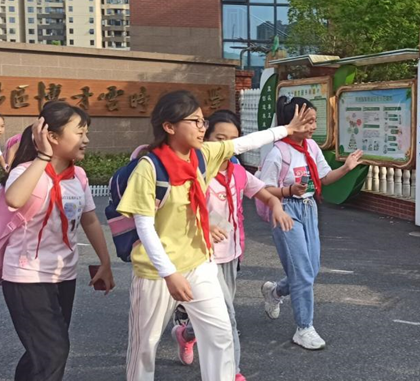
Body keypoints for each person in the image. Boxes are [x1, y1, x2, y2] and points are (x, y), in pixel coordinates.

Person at [117, 90, 313, 381]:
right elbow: (144, 227)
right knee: (145, 346)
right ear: (169, 126)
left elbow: (244, 142)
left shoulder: (202, 155)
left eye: (203, 121)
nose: (201, 128)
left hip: (199, 262)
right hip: (157, 272)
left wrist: (286, 129)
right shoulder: (150, 168)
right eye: (194, 121)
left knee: (220, 334)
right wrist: (169, 273)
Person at [169, 111, 295, 380]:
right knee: (227, 317)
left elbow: (265, 194)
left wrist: (277, 205)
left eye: (234, 138)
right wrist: (202, 226)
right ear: (206, 139)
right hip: (200, 256)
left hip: (230, 255)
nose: (228, 145)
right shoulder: (195, 171)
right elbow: (177, 211)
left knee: (214, 317)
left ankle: (185, 334)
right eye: (220, 138)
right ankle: (233, 372)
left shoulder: (238, 172)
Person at [1, 103, 116, 381]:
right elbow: (14, 199)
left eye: (86, 132)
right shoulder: (25, 171)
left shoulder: (78, 176)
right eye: (79, 132)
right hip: (26, 277)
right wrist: (43, 157)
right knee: (53, 351)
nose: (86, 139)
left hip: (63, 275)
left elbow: (89, 219)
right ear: (52, 136)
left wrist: (105, 261)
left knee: (43, 351)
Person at [258, 96, 363, 350]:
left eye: (315, 121)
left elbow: (324, 178)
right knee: (303, 272)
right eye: (308, 121)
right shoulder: (277, 153)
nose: (313, 126)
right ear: (291, 123)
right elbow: (263, 190)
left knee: (311, 270)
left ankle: (275, 292)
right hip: (285, 211)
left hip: (308, 208)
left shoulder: (312, 147)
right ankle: (304, 328)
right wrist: (288, 190)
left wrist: (347, 168)